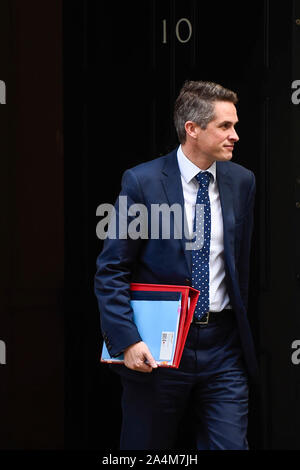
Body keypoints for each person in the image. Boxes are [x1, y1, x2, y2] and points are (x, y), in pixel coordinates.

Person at [94, 80, 258, 450]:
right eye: (225, 126)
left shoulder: (242, 182)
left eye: (234, 125)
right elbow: (112, 269)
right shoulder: (143, 182)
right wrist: (128, 341)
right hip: (158, 347)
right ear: (192, 129)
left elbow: (239, 266)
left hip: (223, 346)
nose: (235, 135)